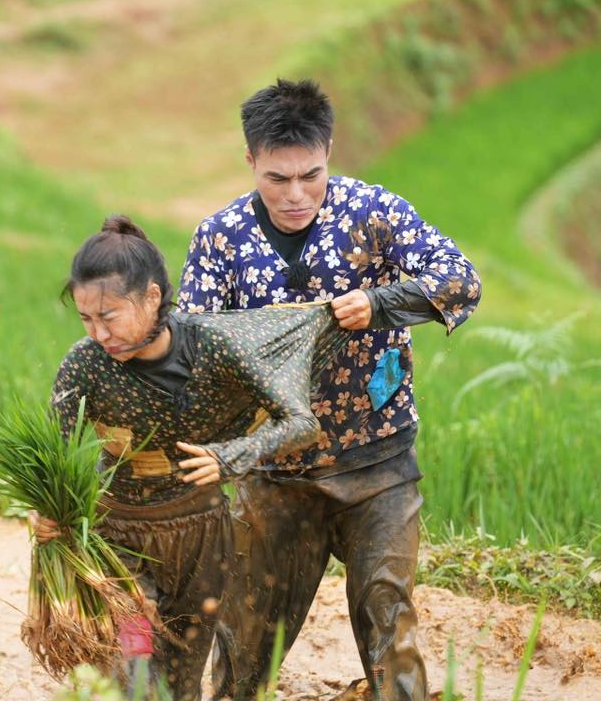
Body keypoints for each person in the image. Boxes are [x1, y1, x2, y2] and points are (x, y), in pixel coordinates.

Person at [177, 79, 482, 701]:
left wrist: (380, 302)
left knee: (388, 617)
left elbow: (461, 280)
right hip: (275, 475)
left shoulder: (375, 213)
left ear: (330, 153)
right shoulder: (221, 237)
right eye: (276, 179)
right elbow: (193, 348)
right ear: (250, 163)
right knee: (245, 649)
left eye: (310, 176)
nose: (295, 196)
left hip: (378, 463)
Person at [32, 214, 347, 700]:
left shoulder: (212, 347)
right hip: (119, 534)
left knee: (181, 679)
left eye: (109, 316)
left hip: (200, 536)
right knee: (133, 663)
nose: (98, 333)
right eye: (86, 319)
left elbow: (300, 422)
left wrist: (230, 457)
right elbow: (55, 450)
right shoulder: (85, 364)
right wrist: (50, 511)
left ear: (152, 297)